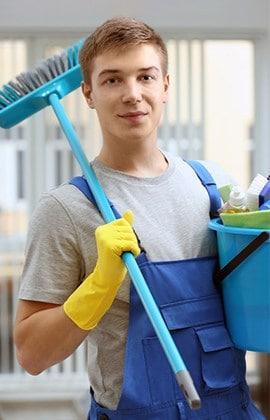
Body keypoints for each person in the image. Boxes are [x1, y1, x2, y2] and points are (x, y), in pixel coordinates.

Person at [14, 17, 265, 420]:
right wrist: (97, 287)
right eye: (112, 80)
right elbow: (31, 354)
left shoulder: (215, 188)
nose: (133, 94)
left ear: (165, 86)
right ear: (88, 93)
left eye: (145, 77)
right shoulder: (67, 208)